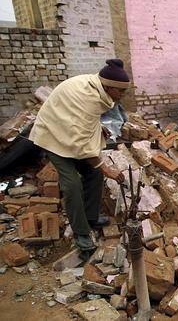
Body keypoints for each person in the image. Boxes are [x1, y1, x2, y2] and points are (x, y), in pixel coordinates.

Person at [29, 59, 128, 260]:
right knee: (72, 183)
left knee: (93, 175)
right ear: (109, 86)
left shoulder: (97, 88)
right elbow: (82, 142)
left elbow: (81, 123)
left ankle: (90, 218)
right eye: (121, 91)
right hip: (53, 135)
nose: (123, 95)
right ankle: (82, 234)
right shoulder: (88, 97)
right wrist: (106, 168)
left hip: (68, 130)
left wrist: (99, 130)